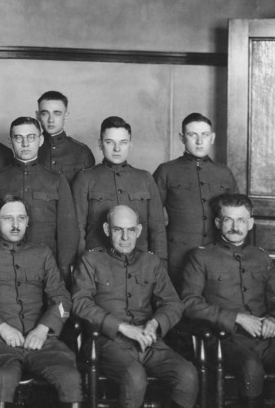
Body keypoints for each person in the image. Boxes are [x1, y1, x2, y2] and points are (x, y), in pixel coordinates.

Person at [0, 195, 82, 407]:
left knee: (70, 377)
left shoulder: (42, 253)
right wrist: (2, 328)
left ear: (27, 221)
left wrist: (43, 329)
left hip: (42, 341)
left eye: (21, 218)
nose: (16, 225)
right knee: (5, 375)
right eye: (8, 219)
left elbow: (63, 301)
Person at [72, 205, 197, 408]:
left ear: (138, 231)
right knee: (134, 377)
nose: (125, 237)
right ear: (106, 229)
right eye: (118, 229)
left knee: (187, 375)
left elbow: (173, 302)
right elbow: (80, 303)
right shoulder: (91, 260)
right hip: (106, 342)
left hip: (148, 341)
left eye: (131, 230)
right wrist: (122, 327)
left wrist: (155, 323)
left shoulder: (151, 261)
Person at [181, 194, 274, 406]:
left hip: (264, 339)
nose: (235, 226)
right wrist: (237, 318)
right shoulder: (201, 257)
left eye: (241, 220)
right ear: (217, 222)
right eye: (228, 219)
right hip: (223, 339)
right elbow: (188, 302)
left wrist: (273, 319)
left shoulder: (261, 257)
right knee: (251, 367)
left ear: (250, 223)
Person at [0, 117, 78, 282]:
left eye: (31, 137)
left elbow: (67, 232)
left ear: (40, 140)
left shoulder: (56, 180)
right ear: (11, 141)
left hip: (46, 266)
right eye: (18, 138)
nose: (25, 143)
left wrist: (63, 270)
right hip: (3, 266)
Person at [153, 113, 238, 285]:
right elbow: (153, 219)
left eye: (205, 135)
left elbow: (238, 216)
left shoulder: (224, 174)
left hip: (217, 258)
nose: (200, 141)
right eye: (193, 135)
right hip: (176, 257)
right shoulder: (166, 171)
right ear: (182, 138)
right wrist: (160, 258)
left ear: (212, 138)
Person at [72, 116, 167, 260]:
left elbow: (157, 229)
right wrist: (82, 265)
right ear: (100, 144)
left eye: (123, 142)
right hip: (98, 264)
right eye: (110, 142)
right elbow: (77, 229)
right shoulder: (85, 178)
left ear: (130, 145)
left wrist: (160, 266)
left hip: (139, 265)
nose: (117, 149)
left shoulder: (145, 178)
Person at [36, 90, 95, 185]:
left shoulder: (82, 152)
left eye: (57, 113)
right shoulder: (30, 149)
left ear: (66, 116)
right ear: (38, 116)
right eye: (45, 113)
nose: (51, 120)